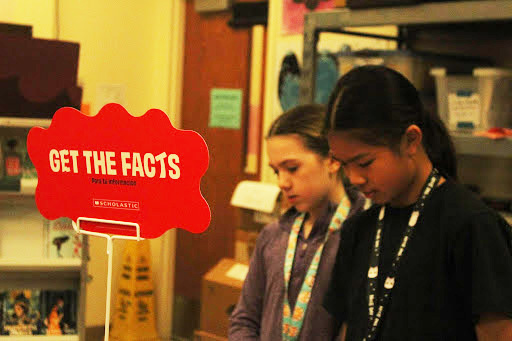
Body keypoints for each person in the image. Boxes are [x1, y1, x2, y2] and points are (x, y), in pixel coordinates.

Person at [323, 65, 512, 340]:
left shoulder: (471, 226)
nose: (354, 178)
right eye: (343, 164)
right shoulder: (358, 230)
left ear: (411, 140)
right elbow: (347, 328)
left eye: (364, 163)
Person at [229, 104, 366, 340]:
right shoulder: (273, 236)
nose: (282, 182)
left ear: (332, 160)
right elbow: (244, 319)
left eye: (292, 168)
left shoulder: (362, 236)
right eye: (276, 171)